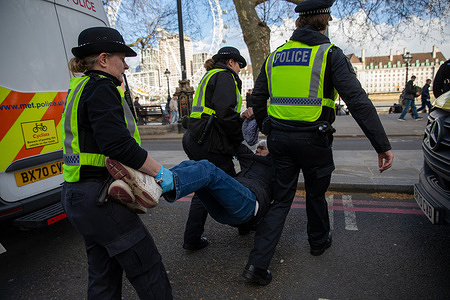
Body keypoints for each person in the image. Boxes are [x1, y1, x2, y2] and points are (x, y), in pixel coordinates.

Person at [246, 0, 394, 286]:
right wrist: (381, 144)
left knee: (281, 200)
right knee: (315, 194)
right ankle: (317, 242)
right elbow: (357, 101)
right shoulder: (330, 54)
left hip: (280, 139)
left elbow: (258, 96)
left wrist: (267, 126)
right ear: (324, 21)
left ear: (299, 22)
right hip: (315, 139)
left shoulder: (275, 55)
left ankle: (257, 265)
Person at [61, 27, 173, 299]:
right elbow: (117, 145)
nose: (125, 65)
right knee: (147, 269)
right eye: (121, 58)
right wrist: (160, 172)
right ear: (102, 59)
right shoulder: (102, 87)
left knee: (104, 275)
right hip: (101, 198)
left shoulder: (80, 87)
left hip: (77, 194)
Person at [105, 141, 273, 233]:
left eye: (263, 148)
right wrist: (244, 116)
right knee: (193, 165)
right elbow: (232, 137)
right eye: (257, 146)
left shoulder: (276, 166)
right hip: (223, 212)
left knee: (208, 170)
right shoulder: (248, 157)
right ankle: (142, 194)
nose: (258, 149)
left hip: (249, 204)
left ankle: (154, 185)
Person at [181, 46, 248, 250]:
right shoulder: (225, 77)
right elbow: (225, 114)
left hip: (196, 137)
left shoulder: (210, 76)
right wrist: (238, 139)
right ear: (230, 62)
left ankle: (192, 238)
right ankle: (245, 223)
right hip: (210, 142)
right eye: (239, 65)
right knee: (229, 184)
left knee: (204, 186)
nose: (239, 70)